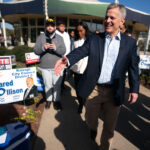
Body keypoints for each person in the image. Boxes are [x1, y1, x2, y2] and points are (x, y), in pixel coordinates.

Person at [54, 3, 139, 150]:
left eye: (112, 17)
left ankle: (104, 147)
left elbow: (133, 67)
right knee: (90, 119)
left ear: (122, 21)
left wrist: (134, 88)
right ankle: (93, 129)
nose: (108, 20)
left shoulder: (130, 43)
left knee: (109, 128)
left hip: (115, 91)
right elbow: (81, 51)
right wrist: (67, 60)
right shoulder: (95, 39)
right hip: (94, 89)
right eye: (106, 17)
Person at [34, 18, 66, 110]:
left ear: (55, 27)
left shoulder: (60, 38)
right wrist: (43, 48)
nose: (50, 27)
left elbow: (63, 50)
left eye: (52, 25)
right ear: (46, 27)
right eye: (48, 25)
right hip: (45, 66)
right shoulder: (41, 37)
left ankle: (56, 101)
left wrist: (56, 48)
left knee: (57, 85)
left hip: (57, 66)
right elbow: (36, 51)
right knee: (47, 84)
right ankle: (48, 100)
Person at [71, 22, 89, 114]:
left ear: (86, 30)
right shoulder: (75, 42)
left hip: (87, 71)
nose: (79, 33)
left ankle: (83, 102)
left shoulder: (90, 41)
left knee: (85, 89)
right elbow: (73, 55)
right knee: (78, 89)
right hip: (77, 70)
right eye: (77, 31)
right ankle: (81, 103)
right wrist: (71, 68)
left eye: (81, 31)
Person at [56, 21, 71, 90]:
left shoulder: (66, 34)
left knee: (64, 72)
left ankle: (62, 85)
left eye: (64, 26)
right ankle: (58, 87)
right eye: (61, 26)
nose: (63, 27)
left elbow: (68, 45)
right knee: (59, 72)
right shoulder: (55, 34)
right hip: (59, 56)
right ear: (58, 26)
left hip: (66, 56)